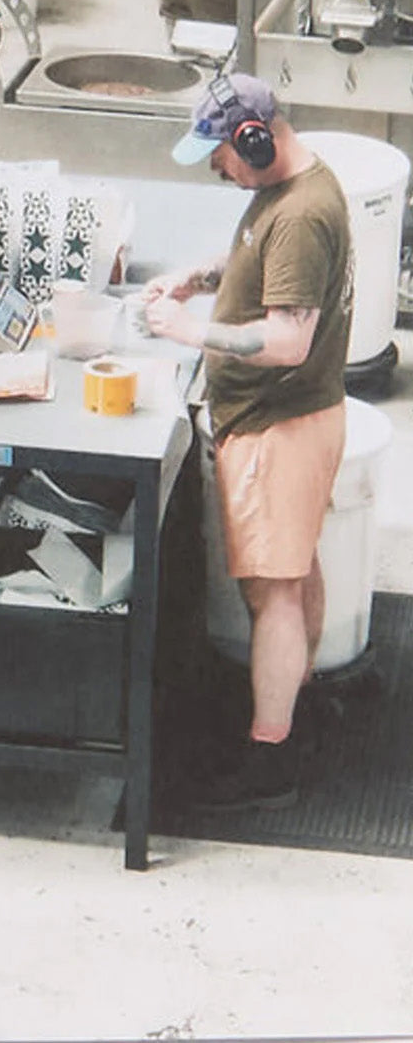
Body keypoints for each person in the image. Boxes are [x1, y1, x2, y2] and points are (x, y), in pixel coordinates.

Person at [144, 73, 354, 811]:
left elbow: (289, 339)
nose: (216, 169)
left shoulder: (299, 215)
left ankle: (271, 756)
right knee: (292, 578)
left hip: (277, 424)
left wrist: (190, 331)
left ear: (253, 139)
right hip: (294, 420)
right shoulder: (289, 190)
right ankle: (300, 703)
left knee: (274, 597)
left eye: (221, 155)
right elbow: (259, 265)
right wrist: (197, 278)